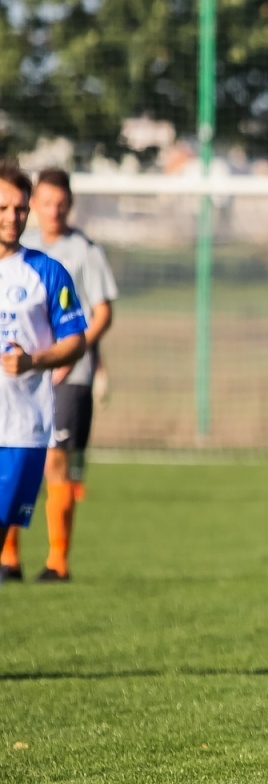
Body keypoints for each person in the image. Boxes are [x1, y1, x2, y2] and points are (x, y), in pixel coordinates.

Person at [2, 169, 118, 582]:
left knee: (57, 462)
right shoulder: (22, 248)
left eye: (60, 203)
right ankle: (9, 559)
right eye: (44, 203)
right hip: (18, 387)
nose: (53, 210)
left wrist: (65, 356)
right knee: (19, 473)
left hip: (67, 376)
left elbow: (100, 313)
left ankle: (58, 561)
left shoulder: (81, 252)